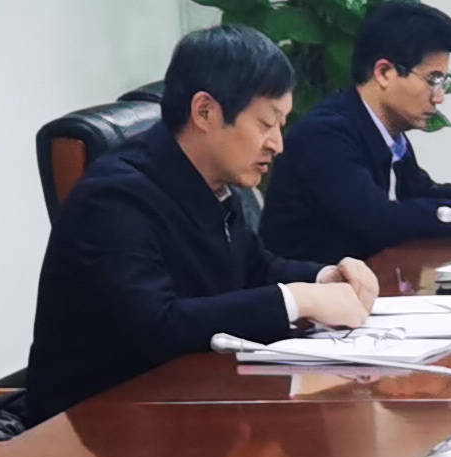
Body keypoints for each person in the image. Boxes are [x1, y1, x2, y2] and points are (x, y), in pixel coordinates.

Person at [22, 25, 374, 421]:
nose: (277, 143)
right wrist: (297, 301)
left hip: (183, 405)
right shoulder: (114, 198)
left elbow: (252, 267)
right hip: (95, 429)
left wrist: (324, 278)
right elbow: (158, 326)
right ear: (205, 112)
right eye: (266, 123)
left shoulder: (208, 180)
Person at [259, 0, 451, 265]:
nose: (439, 97)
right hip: (314, 295)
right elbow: (379, 220)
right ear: (384, 73)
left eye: (444, 82)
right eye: (433, 80)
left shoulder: (385, 129)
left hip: (371, 278)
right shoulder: (326, 134)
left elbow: (423, 194)